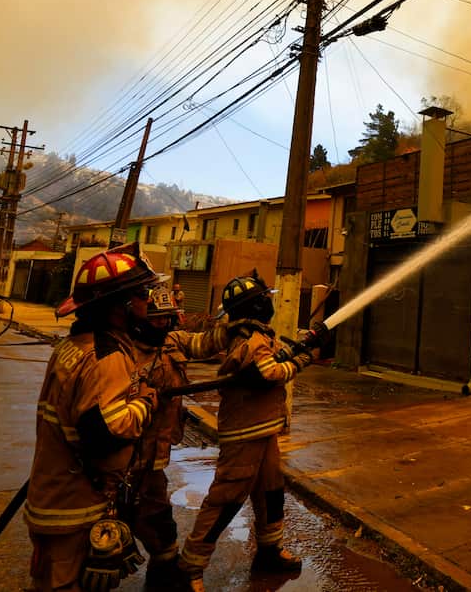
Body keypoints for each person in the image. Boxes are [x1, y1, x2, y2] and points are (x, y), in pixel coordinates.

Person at [176, 272, 328, 589]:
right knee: (227, 497)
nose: (270, 302)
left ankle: (269, 551)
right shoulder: (250, 340)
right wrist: (302, 359)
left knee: (270, 491)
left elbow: (203, 343)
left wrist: (301, 347)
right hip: (245, 431)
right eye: (266, 298)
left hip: (264, 429)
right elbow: (268, 373)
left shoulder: (245, 332)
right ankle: (190, 566)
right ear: (257, 305)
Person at [24, 244, 160, 592]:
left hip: (55, 493)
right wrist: (146, 402)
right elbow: (106, 433)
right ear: (122, 305)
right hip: (76, 504)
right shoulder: (106, 356)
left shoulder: (76, 345)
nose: (149, 300)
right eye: (143, 293)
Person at [125, 284, 230, 589]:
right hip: (124, 455)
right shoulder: (122, 353)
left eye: (166, 319)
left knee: (156, 515)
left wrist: (232, 329)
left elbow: (203, 344)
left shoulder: (172, 342)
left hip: (155, 455)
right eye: (155, 319)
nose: (162, 324)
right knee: (115, 516)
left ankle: (163, 571)